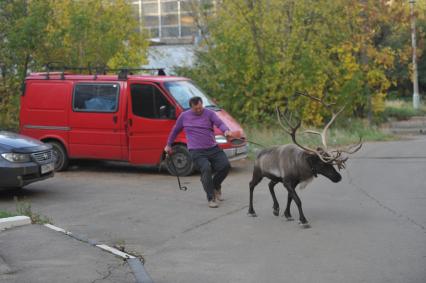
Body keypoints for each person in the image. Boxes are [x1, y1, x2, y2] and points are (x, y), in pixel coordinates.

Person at [164, 96, 233, 208]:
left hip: (212, 147)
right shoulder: (184, 116)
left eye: (200, 107)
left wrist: (226, 131)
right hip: (196, 150)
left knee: (225, 166)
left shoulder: (209, 113)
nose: (199, 110)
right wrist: (168, 144)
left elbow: (220, 123)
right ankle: (211, 198)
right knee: (206, 168)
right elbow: (175, 130)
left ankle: (215, 186)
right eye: (196, 108)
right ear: (191, 107)